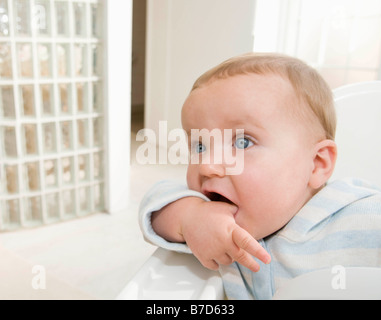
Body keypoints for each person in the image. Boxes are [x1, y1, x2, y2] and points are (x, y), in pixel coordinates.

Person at [139, 53, 381, 299]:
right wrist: (189, 218)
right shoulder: (216, 221)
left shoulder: (362, 217)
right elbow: (156, 204)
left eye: (243, 142)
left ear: (316, 164)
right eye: (200, 146)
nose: (207, 165)